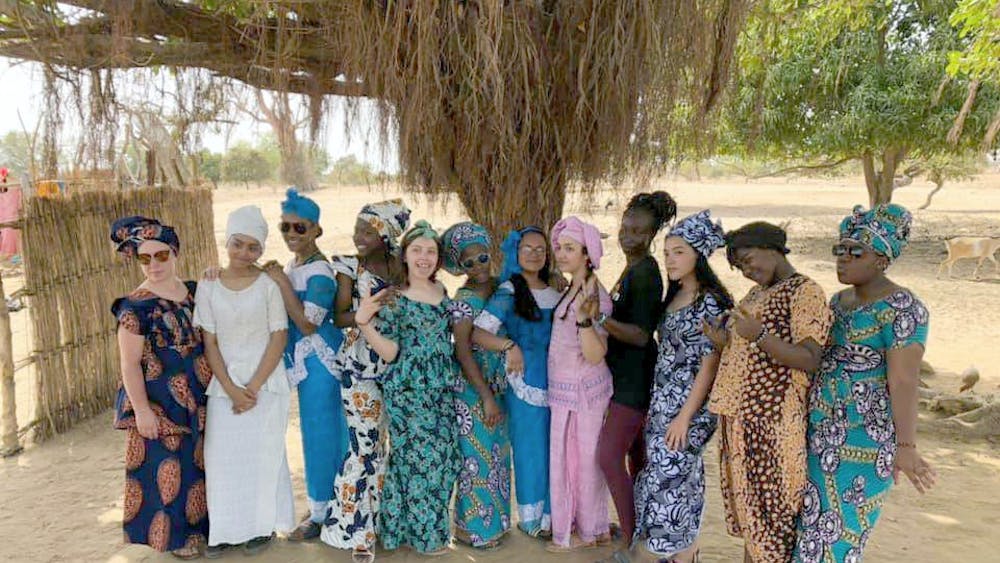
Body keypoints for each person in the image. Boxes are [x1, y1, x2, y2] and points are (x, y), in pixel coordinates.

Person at [793, 205, 935, 563]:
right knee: (810, 533)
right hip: (820, 433)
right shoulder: (838, 302)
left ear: (882, 258)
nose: (843, 259)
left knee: (837, 540)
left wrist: (905, 445)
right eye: (839, 250)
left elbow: (904, 381)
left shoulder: (903, 309)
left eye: (856, 252)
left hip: (864, 443)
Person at [705, 222, 833, 563]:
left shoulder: (804, 291)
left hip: (773, 422)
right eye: (741, 267)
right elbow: (748, 349)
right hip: (741, 417)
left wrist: (759, 334)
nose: (748, 271)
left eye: (749, 260)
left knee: (773, 514)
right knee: (752, 515)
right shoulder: (756, 295)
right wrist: (724, 344)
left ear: (773, 247)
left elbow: (810, 357)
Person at [353, 220, 463, 556]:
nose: (424, 257)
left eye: (431, 251)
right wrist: (363, 323)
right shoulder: (394, 298)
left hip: (441, 389)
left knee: (445, 458)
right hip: (408, 391)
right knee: (418, 462)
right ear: (405, 256)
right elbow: (390, 351)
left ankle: (405, 529)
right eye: (417, 250)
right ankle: (426, 539)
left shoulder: (443, 292)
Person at [630, 210, 732, 563]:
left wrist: (685, 417)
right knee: (677, 480)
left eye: (679, 252)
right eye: (668, 251)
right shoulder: (675, 297)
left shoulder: (710, 303)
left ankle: (650, 554)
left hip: (689, 409)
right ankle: (686, 555)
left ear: (699, 257)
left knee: (668, 481)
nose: (670, 259)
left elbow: (710, 364)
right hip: (664, 404)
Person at [194, 206, 293, 557]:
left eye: (253, 248)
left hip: (266, 386)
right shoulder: (207, 286)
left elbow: (278, 337)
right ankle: (224, 532)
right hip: (225, 387)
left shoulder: (267, 286)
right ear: (227, 241)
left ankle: (260, 529)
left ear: (262, 250)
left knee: (262, 458)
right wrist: (233, 390)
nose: (244, 254)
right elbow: (211, 343)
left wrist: (252, 387)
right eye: (238, 244)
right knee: (221, 459)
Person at [110, 216, 211, 559]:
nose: (153, 265)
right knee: (168, 469)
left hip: (198, 395)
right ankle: (175, 540)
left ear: (175, 253)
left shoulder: (195, 291)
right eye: (144, 258)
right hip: (160, 402)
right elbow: (128, 364)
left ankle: (201, 532)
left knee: (198, 465)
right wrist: (141, 411)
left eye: (161, 256)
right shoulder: (135, 307)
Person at [322, 199, 410, 563]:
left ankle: (384, 525)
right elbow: (339, 317)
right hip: (360, 368)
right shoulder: (348, 266)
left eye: (367, 230)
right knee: (365, 449)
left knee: (390, 449)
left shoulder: (402, 266)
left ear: (386, 233)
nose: (358, 236)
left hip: (400, 367)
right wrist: (368, 309)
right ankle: (353, 531)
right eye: (357, 228)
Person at [261, 189, 349, 542]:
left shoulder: (319, 273)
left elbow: (309, 323)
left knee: (322, 434)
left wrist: (281, 283)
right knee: (316, 434)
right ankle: (327, 508)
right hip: (305, 363)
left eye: (300, 227)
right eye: (285, 227)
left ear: (316, 230)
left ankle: (324, 513)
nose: (292, 234)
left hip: (321, 363)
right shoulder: (295, 266)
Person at [596, 191, 676, 553]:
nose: (628, 236)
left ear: (651, 235)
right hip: (632, 377)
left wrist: (599, 319)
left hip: (633, 382)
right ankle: (642, 529)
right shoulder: (635, 267)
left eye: (638, 231)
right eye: (625, 228)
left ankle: (630, 543)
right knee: (636, 458)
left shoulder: (645, 273)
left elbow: (641, 336)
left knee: (610, 457)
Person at [472, 226, 561, 539]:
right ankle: (531, 519)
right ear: (516, 253)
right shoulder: (510, 290)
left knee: (556, 449)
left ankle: (554, 516)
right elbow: (479, 332)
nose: (535, 254)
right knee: (530, 450)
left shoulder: (556, 290)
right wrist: (510, 347)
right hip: (526, 384)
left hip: (560, 381)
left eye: (541, 249)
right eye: (528, 248)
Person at [545, 216, 614, 553]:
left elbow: (596, 352)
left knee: (583, 463)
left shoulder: (593, 295)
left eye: (569, 248)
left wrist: (586, 320)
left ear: (588, 254)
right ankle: (578, 527)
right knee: (567, 460)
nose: (561, 253)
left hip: (584, 393)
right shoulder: (573, 285)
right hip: (565, 392)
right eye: (559, 247)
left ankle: (590, 530)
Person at [442, 222, 511, 549]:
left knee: (496, 457)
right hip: (473, 391)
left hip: (496, 386)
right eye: (468, 263)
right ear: (459, 267)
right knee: (476, 460)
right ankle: (473, 532)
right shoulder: (464, 300)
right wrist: (485, 396)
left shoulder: (501, 286)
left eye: (482, 258)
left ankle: (494, 525)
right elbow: (462, 350)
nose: (477, 267)